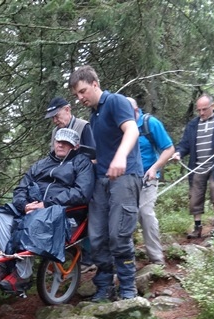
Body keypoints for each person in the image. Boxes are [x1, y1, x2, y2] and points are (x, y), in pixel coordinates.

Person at [0, 128, 95, 294]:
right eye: (59, 141)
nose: (61, 145)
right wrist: (24, 205)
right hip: (33, 209)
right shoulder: (41, 164)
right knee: (0, 216)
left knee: (34, 220)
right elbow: (22, 187)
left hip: (64, 213)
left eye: (66, 143)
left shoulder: (81, 163)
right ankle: (1, 265)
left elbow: (81, 193)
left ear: (75, 146)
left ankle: (22, 275)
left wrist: (46, 204)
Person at [68, 66, 143, 301]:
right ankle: (104, 286)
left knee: (119, 234)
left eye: (82, 91)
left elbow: (131, 130)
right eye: (77, 95)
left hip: (126, 175)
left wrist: (121, 156)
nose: (80, 98)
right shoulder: (95, 115)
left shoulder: (116, 102)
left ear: (95, 84)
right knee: (97, 236)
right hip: (102, 178)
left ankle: (128, 287)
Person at [172, 94, 214, 238]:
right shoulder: (192, 125)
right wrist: (178, 153)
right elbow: (185, 144)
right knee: (195, 194)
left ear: (212, 106)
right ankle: (197, 227)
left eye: (205, 109)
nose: (201, 113)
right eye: (199, 110)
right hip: (197, 165)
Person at [44, 96, 97, 273]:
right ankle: (59, 254)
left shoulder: (83, 126)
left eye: (56, 115)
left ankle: (89, 257)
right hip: (61, 182)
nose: (54, 120)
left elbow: (93, 156)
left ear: (68, 109)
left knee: (88, 216)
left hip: (83, 180)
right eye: (52, 117)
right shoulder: (55, 133)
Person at [128, 98, 175, 265]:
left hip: (148, 176)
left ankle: (156, 258)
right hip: (127, 179)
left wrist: (155, 168)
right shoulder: (122, 126)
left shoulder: (150, 123)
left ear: (135, 110)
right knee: (126, 216)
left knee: (145, 213)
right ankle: (127, 258)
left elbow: (169, 148)